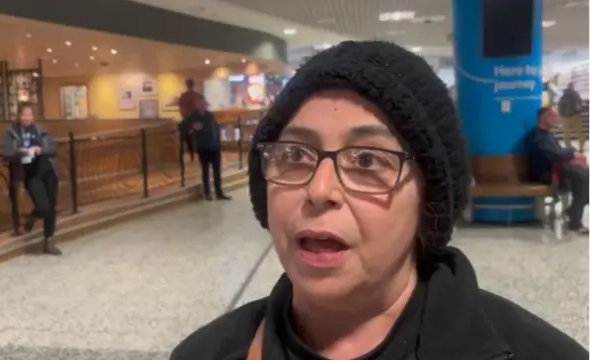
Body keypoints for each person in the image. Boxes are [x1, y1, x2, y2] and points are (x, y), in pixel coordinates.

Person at [171, 42, 588, 360]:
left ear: (428, 200)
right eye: (295, 155)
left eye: (367, 160)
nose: (319, 191)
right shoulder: (206, 352)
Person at [2, 102, 62, 255]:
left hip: (47, 170)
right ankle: (31, 217)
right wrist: (19, 151)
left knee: (51, 208)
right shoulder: (12, 132)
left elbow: (53, 148)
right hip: (30, 173)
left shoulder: (41, 129)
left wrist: (40, 149)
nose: (27, 118)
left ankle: (49, 241)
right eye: (24, 114)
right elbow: (7, 153)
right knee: (43, 207)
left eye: (30, 115)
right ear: (19, 115)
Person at [527, 106, 588, 234]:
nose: (558, 119)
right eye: (555, 116)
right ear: (546, 118)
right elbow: (554, 156)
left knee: (585, 174)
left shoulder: (549, 135)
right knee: (582, 177)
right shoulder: (537, 137)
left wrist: (573, 160)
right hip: (544, 174)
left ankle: (573, 212)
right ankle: (574, 220)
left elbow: (558, 153)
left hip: (556, 170)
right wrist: (572, 152)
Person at [179, 97, 231, 201]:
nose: (202, 105)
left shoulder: (210, 115)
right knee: (205, 171)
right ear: (197, 105)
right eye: (199, 103)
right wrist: (192, 126)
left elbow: (216, 128)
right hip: (203, 146)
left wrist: (218, 141)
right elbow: (181, 125)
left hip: (214, 146)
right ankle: (207, 193)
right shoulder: (193, 117)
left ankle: (219, 192)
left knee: (217, 171)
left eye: (203, 103)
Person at [178, 79, 205, 162]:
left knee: (185, 138)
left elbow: (181, 109)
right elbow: (202, 108)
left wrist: (185, 117)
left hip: (187, 120)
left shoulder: (183, 96)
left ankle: (190, 155)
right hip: (197, 120)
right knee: (200, 138)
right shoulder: (198, 96)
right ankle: (200, 155)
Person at [558, 82, 585, 150]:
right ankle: (581, 148)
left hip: (565, 118)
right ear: (573, 87)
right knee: (580, 133)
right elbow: (580, 104)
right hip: (575, 116)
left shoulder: (563, 96)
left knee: (566, 134)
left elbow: (560, 106)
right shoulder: (576, 95)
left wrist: (561, 115)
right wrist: (579, 111)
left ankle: (568, 148)